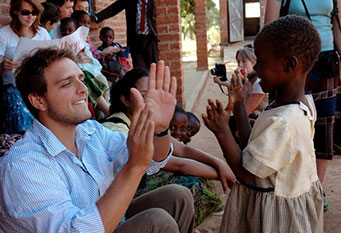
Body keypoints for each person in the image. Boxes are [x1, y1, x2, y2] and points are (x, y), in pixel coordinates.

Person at [0, 47, 194, 233]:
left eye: (81, 78)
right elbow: (75, 230)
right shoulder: (23, 165)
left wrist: (159, 129)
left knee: (177, 197)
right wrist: (134, 167)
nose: (83, 89)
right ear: (38, 100)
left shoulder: (89, 131)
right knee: (157, 222)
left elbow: (153, 160)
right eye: (67, 83)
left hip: (100, 224)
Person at [203, 16, 323, 232]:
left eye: (261, 61)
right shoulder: (296, 106)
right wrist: (239, 104)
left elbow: (245, 172)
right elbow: (254, 147)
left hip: (275, 219)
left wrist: (222, 132)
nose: (256, 68)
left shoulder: (284, 122)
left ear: (289, 64)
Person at [265, 0, 341, 210]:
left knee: (324, 126)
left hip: (326, 63)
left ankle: (316, 191)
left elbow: (338, 23)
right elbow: (269, 30)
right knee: (288, 125)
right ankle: (287, 188)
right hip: (292, 64)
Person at [103, 68, 236, 192]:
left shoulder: (141, 120)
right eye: (144, 96)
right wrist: (228, 174)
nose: (151, 103)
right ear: (125, 100)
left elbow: (182, 149)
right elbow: (178, 165)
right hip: (117, 197)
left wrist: (218, 163)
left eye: (154, 96)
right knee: (187, 185)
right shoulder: (116, 130)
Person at [0, 0, 50, 134]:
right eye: (25, 12)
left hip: (38, 84)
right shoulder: (4, 34)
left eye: (34, 13)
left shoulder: (42, 33)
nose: (30, 17)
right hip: (13, 87)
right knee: (20, 111)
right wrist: (3, 66)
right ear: (15, 12)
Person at [92, 0, 158, 71]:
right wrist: (97, 17)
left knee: (154, 68)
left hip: (151, 40)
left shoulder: (155, 2)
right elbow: (115, 7)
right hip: (136, 40)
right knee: (140, 70)